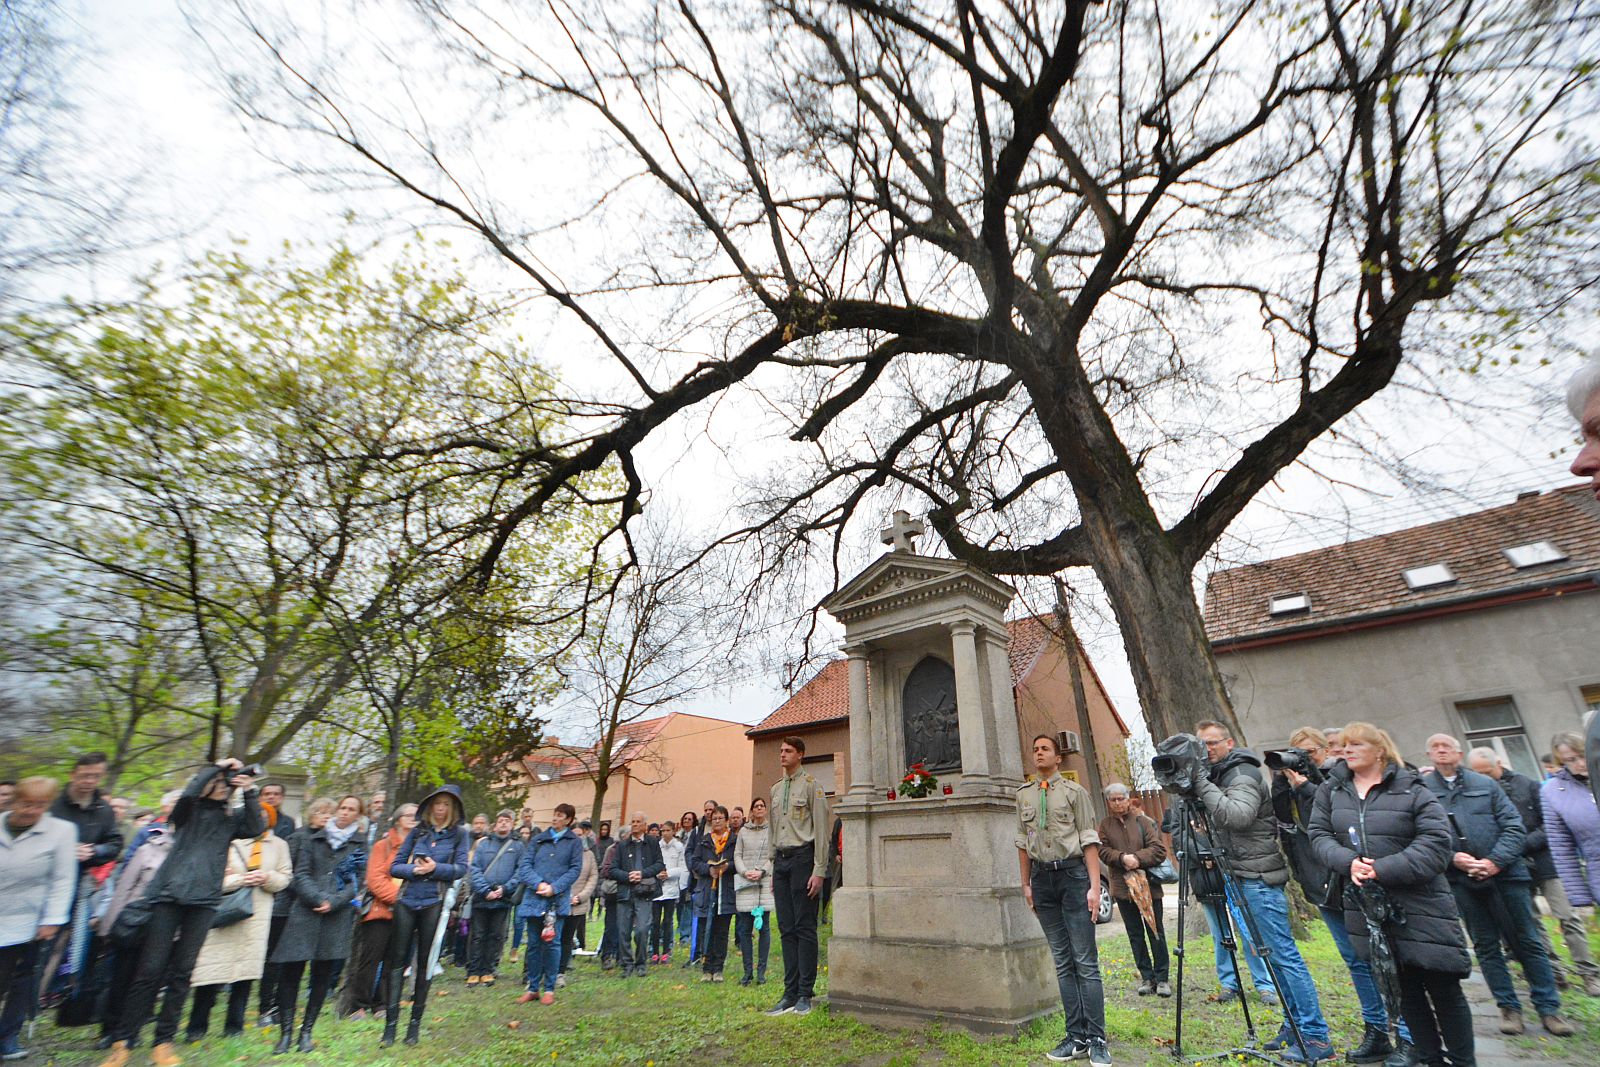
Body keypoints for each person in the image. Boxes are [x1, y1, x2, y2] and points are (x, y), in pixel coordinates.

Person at [1311, 723, 1473, 1067]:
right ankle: (1429, 1059)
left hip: (1420, 903)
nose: (1347, 750)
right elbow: (1319, 835)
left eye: (1356, 744)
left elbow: (1436, 843)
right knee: (1403, 992)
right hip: (1368, 907)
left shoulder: (1412, 788)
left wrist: (1383, 868)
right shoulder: (1332, 790)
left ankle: (1462, 1062)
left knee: (1444, 990)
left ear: (1379, 750)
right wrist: (1348, 863)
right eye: (1343, 745)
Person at [98, 760, 264, 1067]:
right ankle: (124, 1040)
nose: (222, 785)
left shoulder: (232, 818)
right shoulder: (189, 810)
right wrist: (216, 767)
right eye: (218, 781)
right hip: (168, 896)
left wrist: (250, 789)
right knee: (149, 970)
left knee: (182, 972)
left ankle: (163, 1042)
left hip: (203, 901)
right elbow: (188, 795)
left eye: (226, 783)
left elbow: (257, 827)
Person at [1269, 727, 1411, 1063]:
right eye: (1296, 752)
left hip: (1352, 880)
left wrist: (1307, 786)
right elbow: (1283, 820)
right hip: (1321, 883)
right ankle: (1376, 1031)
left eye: (1310, 752)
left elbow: (1334, 817)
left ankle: (1407, 1033)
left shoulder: (1338, 779)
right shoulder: (1295, 784)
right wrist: (1281, 779)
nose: (1304, 758)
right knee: (1355, 961)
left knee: (1384, 959)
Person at [1193, 720, 1331, 1062]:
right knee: (1271, 955)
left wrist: (1199, 785)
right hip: (1240, 875)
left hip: (1258, 878)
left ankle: (1315, 1037)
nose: (1207, 750)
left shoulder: (1241, 773)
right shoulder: (1219, 775)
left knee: (1284, 956)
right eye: (1202, 745)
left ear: (1229, 742)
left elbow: (1238, 816)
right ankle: (1293, 1024)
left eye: (1212, 743)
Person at [1423, 733, 1571, 1036]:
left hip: (1507, 874)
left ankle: (1549, 1009)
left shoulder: (1485, 784)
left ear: (1459, 752)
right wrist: (1455, 859)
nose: (1441, 751)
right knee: (1486, 945)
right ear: (1429, 756)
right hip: (1461, 880)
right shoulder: (1423, 791)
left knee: (1528, 940)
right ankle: (1508, 1008)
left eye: (1446, 746)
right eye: (1435, 747)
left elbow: (1514, 826)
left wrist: (1495, 861)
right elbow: (1424, 836)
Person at [1469, 744, 1600, 995]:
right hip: (1513, 866)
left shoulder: (1528, 784)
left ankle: (1589, 973)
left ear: (1498, 764)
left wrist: (1518, 844)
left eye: (1487, 772)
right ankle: (1554, 971)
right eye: (1478, 773)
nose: (1484, 777)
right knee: (1531, 922)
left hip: (1545, 862)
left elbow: (1549, 825)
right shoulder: (1481, 793)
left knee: (1568, 917)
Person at [1016, 734, 1108, 1065]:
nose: (1038, 753)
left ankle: (1097, 1037)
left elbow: (1089, 840)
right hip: (1042, 880)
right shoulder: (1023, 795)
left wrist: (1094, 887)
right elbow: (1023, 843)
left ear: (1058, 758)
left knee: (1084, 960)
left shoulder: (1074, 793)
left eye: (1045, 749)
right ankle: (1076, 1036)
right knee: (1062, 960)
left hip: (1072, 876)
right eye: (1035, 749)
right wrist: (1026, 884)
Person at [184, 808, 293, 1043]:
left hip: (258, 911)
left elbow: (285, 877)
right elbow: (211, 878)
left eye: (264, 817)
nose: (259, 820)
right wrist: (240, 879)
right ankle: (196, 1026)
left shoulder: (279, 845)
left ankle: (234, 1025)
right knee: (212, 969)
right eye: (256, 816)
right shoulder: (230, 842)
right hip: (226, 910)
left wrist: (267, 878)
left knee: (246, 970)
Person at [268, 795, 363, 1054]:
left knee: (322, 977)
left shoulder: (360, 844)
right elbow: (301, 874)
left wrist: (333, 902)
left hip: (336, 915)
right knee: (291, 973)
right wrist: (316, 898)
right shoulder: (314, 838)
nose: (345, 812)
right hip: (305, 911)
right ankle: (285, 1033)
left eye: (351, 809)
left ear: (358, 815)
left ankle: (306, 1032)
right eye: (342, 807)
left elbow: (355, 882)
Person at [382, 785, 468, 1047]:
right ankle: (390, 1027)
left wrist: (435, 868)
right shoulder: (418, 831)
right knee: (397, 962)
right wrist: (413, 871)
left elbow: (461, 868)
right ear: (430, 806)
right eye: (437, 804)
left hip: (434, 902)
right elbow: (395, 867)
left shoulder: (459, 835)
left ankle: (413, 1026)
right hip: (407, 900)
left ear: (453, 809)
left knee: (425, 964)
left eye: (446, 804)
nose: (440, 809)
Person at [0, 778, 76, 1063]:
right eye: (26, 803)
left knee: (21, 982)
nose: (32, 810)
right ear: (14, 800)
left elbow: (63, 879)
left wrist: (53, 919)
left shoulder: (61, 831)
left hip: (31, 921)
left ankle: (7, 1036)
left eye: (40, 805)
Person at [764, 738, 828, 1017]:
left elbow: (822, 830)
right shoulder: (776, 790)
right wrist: (771, 866)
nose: (782, 754)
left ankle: (805, 992)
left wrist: (819, 870)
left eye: (788, 751)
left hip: (804, 858)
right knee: (786, 928)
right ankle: (788, 993)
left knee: (804, 927)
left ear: (800, 754)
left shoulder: (813, 785)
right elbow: (772, 830)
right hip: (781, 861)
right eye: (780, 751)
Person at [338, 803, 416, 1020]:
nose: (413, 819)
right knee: (370, 960)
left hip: (407, 913)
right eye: (409, 815)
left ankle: (381, 1004)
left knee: (394, 960)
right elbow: (374, 879)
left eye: (417, 816)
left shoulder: (420, 847)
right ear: (398, 818)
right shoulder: (383, 845)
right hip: (381, 911)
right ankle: (358, 1005)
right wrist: (398, 899)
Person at [1096, 783, 1169, 999]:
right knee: (1135, 934)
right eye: (1113, 800)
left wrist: (1136, 858)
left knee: (1156, 932)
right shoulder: (1105, 825)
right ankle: (1147, 977)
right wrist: (1120, 858)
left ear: (1128, 799)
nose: (1118, 803)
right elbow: (1102, 850)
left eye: (1121, 798)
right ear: (1109, 803)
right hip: (1122, 888)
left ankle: (1162, 977)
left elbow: (1158, 849)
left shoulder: (1143, 822)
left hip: (1148, 887)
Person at [1542, 733, 1600, 997]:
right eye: (1570, 760)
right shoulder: (1554, 792)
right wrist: (1579, 895)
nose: (1579, 763)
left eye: (1581, 755)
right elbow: (1561, 847)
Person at [514, 802, 583, 1005]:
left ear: (569, 820)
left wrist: (555, 888)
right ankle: (533, 987)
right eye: (554, 814)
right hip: (534, 898)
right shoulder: (538, 839)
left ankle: (550, 988)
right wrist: (538, 883)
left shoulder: (574, 842)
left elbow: (574, 869)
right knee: (534, 944)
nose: (555, 818)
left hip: (556, 900)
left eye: (560, 815)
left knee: (553, 943)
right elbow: (525, 866)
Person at [467, 810, 525, 987]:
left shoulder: (518, 846)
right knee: (477, 935)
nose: (503, 823)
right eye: (500, 820)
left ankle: (488, 970)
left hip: (503, 899)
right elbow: (474, 869)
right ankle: (473, 971)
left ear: (512, 824)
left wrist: (505, 889)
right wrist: (485, 890)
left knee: (496, 936)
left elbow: (520, 871)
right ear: (495, 823)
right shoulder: (484, 844)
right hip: (482, 897)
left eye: (507, 821)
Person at [609, 812, 665, 978]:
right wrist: (627, 876)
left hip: (645, 893)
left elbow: (659, 864)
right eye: (632, 822)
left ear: (644, 825)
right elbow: (612, 869)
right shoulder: (622, 845)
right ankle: (627, 963)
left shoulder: (653, 843)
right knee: (623, 931)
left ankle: (641, 963)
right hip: (625, 892)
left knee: (642, 930)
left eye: (638, 822)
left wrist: (642, 874)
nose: (634, 824)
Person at [691, 805, 737, 982]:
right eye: (714, 818)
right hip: (706, 890)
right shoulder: (704, 840)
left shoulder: (732, 840)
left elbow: (737, 861)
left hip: (725, 891)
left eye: (720, 818)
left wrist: (727, 867)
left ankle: (718, 968)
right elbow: (694, 862)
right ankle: (706, 967)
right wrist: (708, 869)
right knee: (706, 930)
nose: (717, 821)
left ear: (726, 821)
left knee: (721, 931)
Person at [733, 795, 774, 986]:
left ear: (765, 810)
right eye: (756, 806)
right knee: (745, 929)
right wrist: (744, 871)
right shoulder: (743, 831)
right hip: (746, 882)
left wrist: (762, 871)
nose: (759, 808)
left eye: (762, 806)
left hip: (764, 882)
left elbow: (772, 855)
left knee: (764, 927)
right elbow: (737, 855)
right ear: (751, 810)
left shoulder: (771, 831)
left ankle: (761, 972)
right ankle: (747, 971)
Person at [557, 831, 598, 988]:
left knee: (567, 938)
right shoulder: (561, 851)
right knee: (553, 938)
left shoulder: (589, 855)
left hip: (578, 904)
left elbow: (593, 877)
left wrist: (581, 896)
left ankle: (561, 972)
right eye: (574, 833)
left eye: (581, 833)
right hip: (559, 901)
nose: (578, 836)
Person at [651, 820, 687, 965]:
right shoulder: (656, 846)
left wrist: (669, 873)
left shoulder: (679, 847)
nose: (665, 833)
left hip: (671, 890)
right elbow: (652, 864)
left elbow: (682, 868)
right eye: (663, 831)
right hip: (657, 889)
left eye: (668, 830)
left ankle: (666, 951)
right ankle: (654, 951)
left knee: (667, 921)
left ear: (673, 831)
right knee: (655, 922)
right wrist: (657, 873)